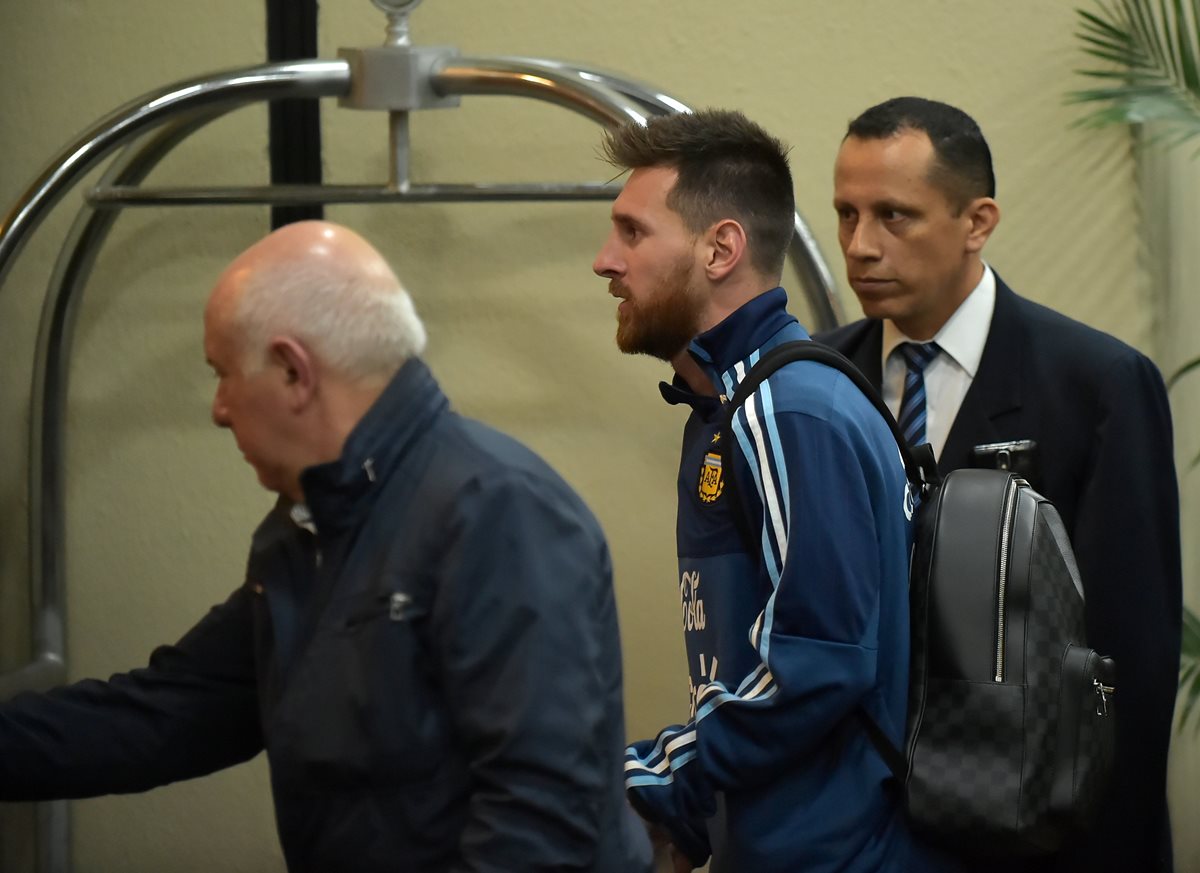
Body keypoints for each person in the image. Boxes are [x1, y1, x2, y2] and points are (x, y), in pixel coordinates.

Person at [0, 221, 652, 873]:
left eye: (222, 373)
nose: (219, 409)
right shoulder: (306, 531)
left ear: (292, 370)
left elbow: (539, 824)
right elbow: (166, 712)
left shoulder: (495, 510)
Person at [817, 96, 1182, 873]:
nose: (859, 245)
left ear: (977, 222)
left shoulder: (1099, 384)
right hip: (860, 839)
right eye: (846, 214)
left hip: (1035, 839)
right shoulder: (820, 381)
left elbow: (1131, 666)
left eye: (894, 216)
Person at [593, 109, 950, 873]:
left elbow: (813, 666)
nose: (604, 261)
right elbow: (748, 668)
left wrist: (654, 779)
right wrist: (689, 820)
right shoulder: (732, 403)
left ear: (720, 247)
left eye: (631, 232)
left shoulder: (787, 409)